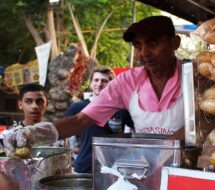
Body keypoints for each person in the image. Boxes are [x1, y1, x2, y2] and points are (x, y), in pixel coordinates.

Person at [4, 15, 185, 156]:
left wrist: (165, 150)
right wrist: (33, 134)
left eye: (153, 43)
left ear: (174, 43)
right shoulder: (126, 82)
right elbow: (79, 121)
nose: (144, 53)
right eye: (138, 46)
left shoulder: (195, 78)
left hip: (189, 171)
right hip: (148, 168)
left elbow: (204, 128)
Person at [65, 67, 134, 173]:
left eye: (104, 81)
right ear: (91, 83)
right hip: (85, 166)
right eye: (96, 80)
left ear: (112, 84)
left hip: (113, 168)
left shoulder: (122, 109)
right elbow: (65, 136)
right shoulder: (77, 107)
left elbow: (139, 132)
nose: (99, 84)